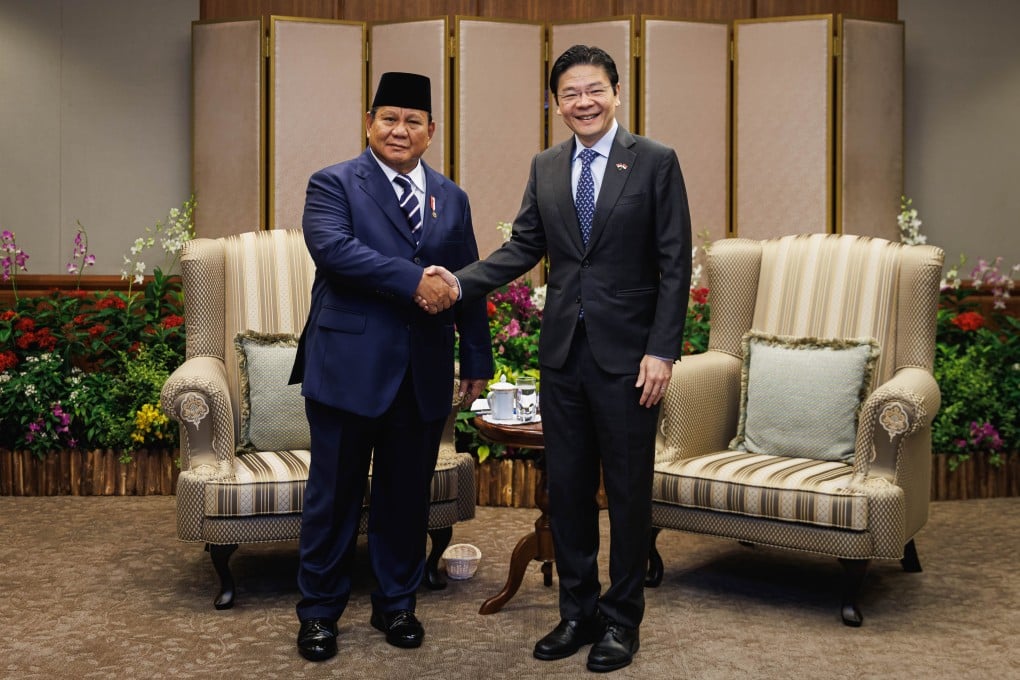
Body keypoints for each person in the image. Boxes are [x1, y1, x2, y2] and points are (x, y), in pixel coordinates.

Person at [426, 45, 691, 672]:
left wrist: (661, 350)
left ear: (617, 93)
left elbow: (675, 264)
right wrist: (460, 282)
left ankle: (622, 622)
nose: (583, 103)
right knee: (567, 491)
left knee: (627, 495)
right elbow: (523, 246)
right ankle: (577, 612)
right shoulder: (546, 166)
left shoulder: (654, 162)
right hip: (563, 358)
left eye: (594, 90)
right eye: (570, 94)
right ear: (555, 103)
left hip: (631, 361)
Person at [289, 71, 493, 662]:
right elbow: (335, 250)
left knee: (406, 496)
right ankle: (320, 613)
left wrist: (475, 354)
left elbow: (469, 279)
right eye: (389, 118)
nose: (399, 130)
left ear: (431, 132)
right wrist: (416, 280)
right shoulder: (333, 183)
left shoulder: (451, 197)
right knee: (334, 497)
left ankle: (396, 603)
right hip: (347, 365)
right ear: (369, 124)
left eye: (413, 121)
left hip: (422, 369)